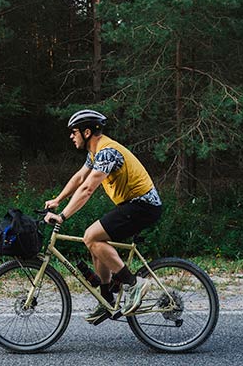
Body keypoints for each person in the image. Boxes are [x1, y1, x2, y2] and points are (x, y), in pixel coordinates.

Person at [44, 109, 162, 324]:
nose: (71, 136)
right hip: (132, 205)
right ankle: (106, 298)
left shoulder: (107, 152)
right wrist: (58, 199)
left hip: (143, 205)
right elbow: (80, 177)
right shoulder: (95, 152)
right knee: (95, 241)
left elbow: (88, 188)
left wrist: (62, 215)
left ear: (87, 132)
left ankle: (134, 283)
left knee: (91, 236)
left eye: (74, 132)